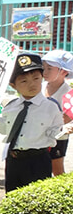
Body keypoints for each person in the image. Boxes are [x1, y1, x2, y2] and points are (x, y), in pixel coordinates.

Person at [0, 52, 64, 192]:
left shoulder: (50, 107)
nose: (32, 84)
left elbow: (55, 132)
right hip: (14, 160)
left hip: (38, 160)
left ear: (42, 78)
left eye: (36, 78)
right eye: (24, 81)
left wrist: (64, 130)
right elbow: (5, 128)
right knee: (12, 196)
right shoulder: (11, 106)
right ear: (13, 85)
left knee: (36, 199)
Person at [42, 48, 73, 176]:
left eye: (50, 68)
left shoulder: (68, 94)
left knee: (57, 170)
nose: (45, 72)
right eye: (44, 67)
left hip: (59, 136)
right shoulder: (39, 86)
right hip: (38, 134)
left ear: (64, 72)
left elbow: (67, 118)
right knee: (40, 168)